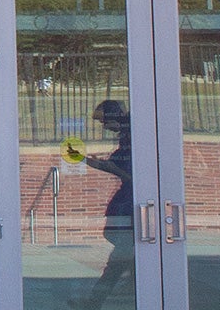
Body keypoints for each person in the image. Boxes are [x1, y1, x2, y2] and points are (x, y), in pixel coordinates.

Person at [77, 100, 136, 310]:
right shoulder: (127, 137)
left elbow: (128, 174)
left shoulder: (134, 136)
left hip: (132, 202)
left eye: (105, 121)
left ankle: (94, 302)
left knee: (120, 256)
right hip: (127, 201)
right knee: (124, 252)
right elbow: (112, 166)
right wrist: (83, 159)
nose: (104, 127)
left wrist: (111, 167)